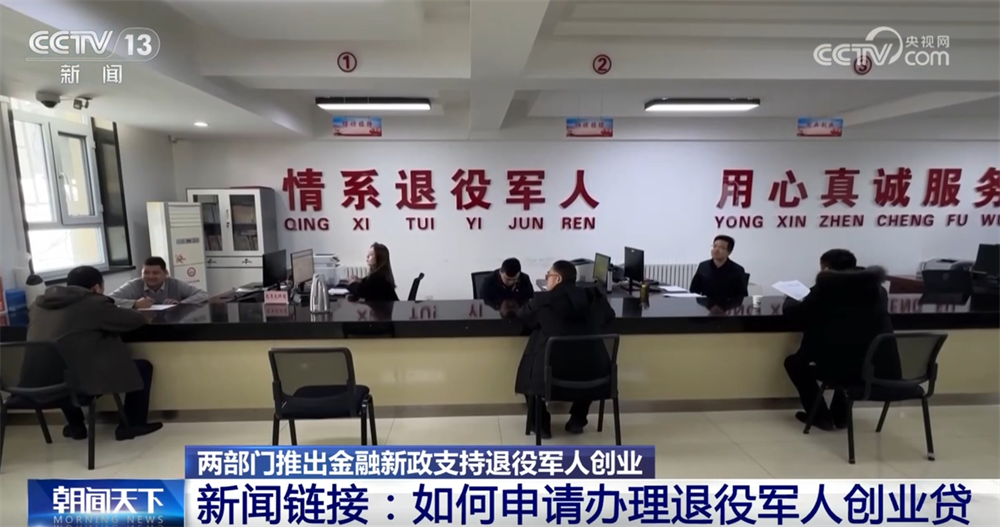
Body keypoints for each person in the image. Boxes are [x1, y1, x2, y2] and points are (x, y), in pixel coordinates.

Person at [21, 265, 163, 440]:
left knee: (61, 364)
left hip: (35, 384)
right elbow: (134, 320)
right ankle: (132, 425)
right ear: (96, 288)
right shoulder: (94, 303)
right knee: (142, 367)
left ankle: (76, 425)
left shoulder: (38, 305)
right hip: (77, 386)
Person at [782, 249, 899, 431]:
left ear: (827, 269)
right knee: (849, 355)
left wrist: (789, 301)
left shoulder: (826, 290)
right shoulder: (878, 290)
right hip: (877, 366)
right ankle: (840, 415)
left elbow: (799, 316)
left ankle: (819, 416)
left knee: (796, 363)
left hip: (843, 368)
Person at [515, 260, 616, 438]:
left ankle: (540, 424)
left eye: (548, 275)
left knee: (528, 369)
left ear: (558, 279)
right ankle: (578, 419)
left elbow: (523, 317)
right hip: (596, 376)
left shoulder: (543, 301)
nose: (547, 279)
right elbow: (609, 317)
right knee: (588, 359)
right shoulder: (594, 296)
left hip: (551, 377)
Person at [110, 256, 209, 309]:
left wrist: (180, 304)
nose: (150, 276)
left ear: (166, 273)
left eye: (155, 273)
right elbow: (108, 299)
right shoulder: (134, 285)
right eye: (146, 273)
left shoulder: (174, 284)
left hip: (172, 325)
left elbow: (203, 295)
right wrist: (135, 303)